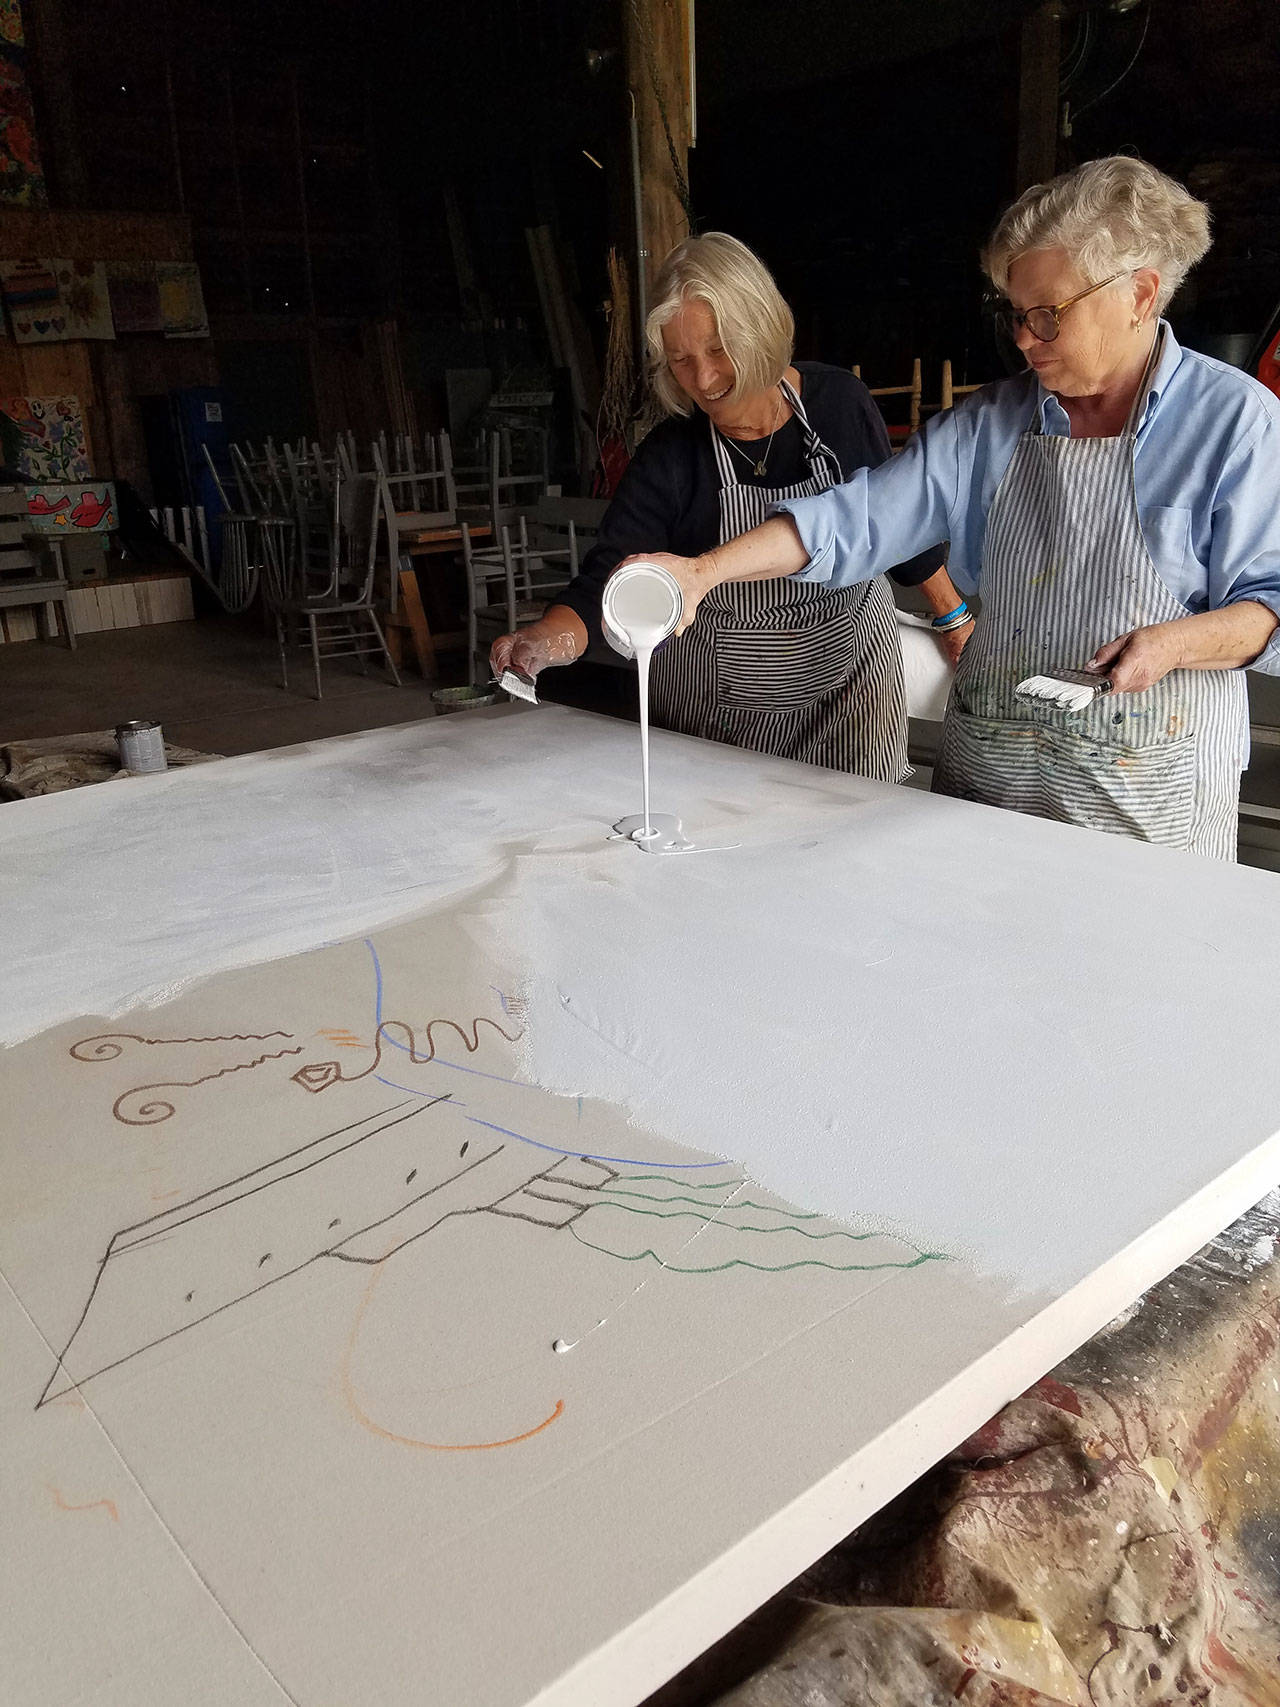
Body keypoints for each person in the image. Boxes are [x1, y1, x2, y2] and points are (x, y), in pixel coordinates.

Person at [618, 160, 1280, 860]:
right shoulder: (991, 424)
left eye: (1047, 316)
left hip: (1144, 792)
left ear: (1139, 295)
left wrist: (1173, 644)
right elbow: (856, 518)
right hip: (992, 780)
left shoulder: (1236, 424)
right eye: (1015, 315)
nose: (1023, 339)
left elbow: (1269, 606)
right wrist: (703, 572)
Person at [491, 232, 966, 782]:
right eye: (681, 360)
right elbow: (607, 582)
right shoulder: (670, 456)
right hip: (722, 711)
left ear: (759, 330)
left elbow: (898, 524)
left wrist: (954, 619)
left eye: (718, 350)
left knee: (851, 827)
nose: (704, 379)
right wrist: (544, 640)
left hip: (849, 693)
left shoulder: (839, 405)